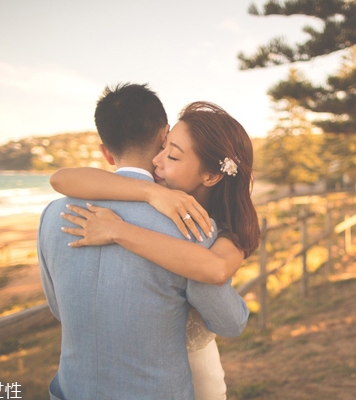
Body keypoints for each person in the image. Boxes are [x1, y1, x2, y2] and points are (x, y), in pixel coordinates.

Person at [38, 83, 249, 400]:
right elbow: (229, 322)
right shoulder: (194, 228)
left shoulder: (53, 214)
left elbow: (59, 309)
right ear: (164, 137)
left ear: (106, 153)